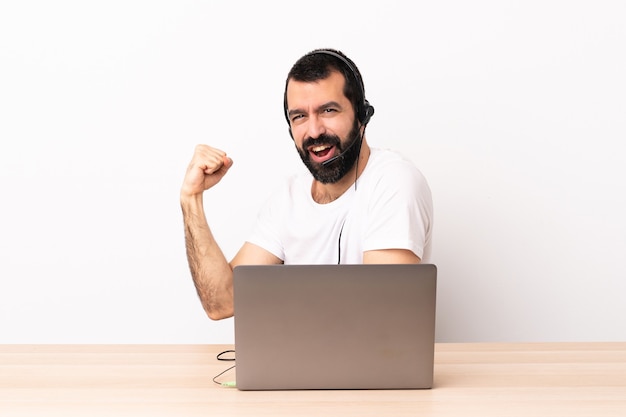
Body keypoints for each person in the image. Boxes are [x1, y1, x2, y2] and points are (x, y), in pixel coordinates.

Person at [181, 48, 433, 320]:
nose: (313, 131)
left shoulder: (394, 182)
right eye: (299, 116)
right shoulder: (287, 198)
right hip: (299, 361)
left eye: (328, 110)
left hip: (374, 362)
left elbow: (381, 314)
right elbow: (223, 302)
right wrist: (191, 197)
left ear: (362, 115)